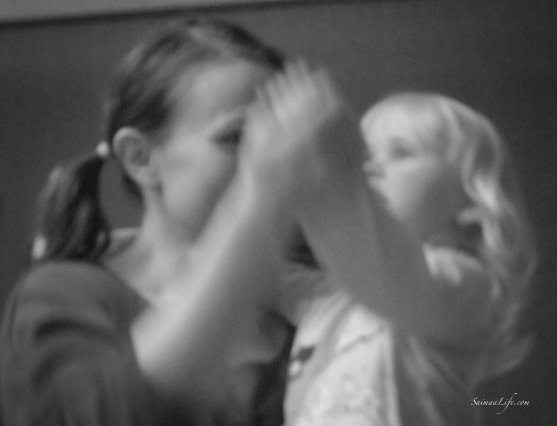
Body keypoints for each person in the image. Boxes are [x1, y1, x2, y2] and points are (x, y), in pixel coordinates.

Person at [0, 19, 352, 426]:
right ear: (140, 158)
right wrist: (259, 201)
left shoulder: (311, 301)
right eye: (236, 137)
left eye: (279, 134)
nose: (273, 154)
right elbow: (105, 413)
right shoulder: (62, 293)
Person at [280, 92, 536, 426]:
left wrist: (325, 186)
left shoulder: (463, 284)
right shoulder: (334, 296)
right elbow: (262, 282)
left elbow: (383, 266)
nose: (368, 168)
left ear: (471, 204)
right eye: (362, 156)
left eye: (401, 152)